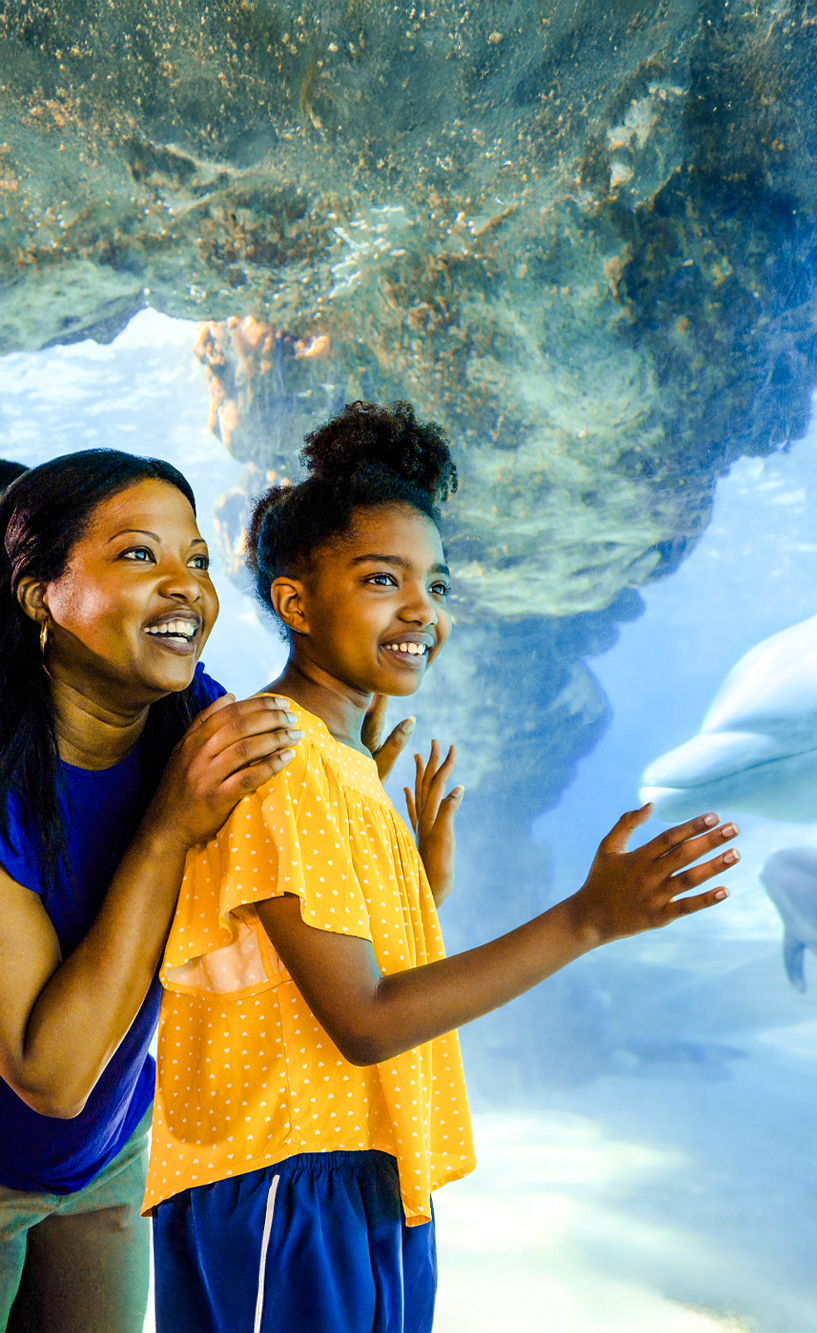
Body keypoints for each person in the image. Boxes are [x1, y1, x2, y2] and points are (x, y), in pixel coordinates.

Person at [145, 401, 739, 1333]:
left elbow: (314, 971)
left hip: (358, 1166)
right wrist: (587, 917)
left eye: (437, 582)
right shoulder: (279, 756)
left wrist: (416, 891)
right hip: (286, 1178)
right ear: (296, 603)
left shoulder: (339, 760)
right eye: (383, 578)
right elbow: (365, 1021)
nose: (423, 609)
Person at [0, 450, 308, 1333]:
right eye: (140, 554)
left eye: (197, 558)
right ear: (39, 596)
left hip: (107, 1156)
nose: (186, 586)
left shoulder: (192, 715)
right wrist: (168, 827)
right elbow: (50, 1075)